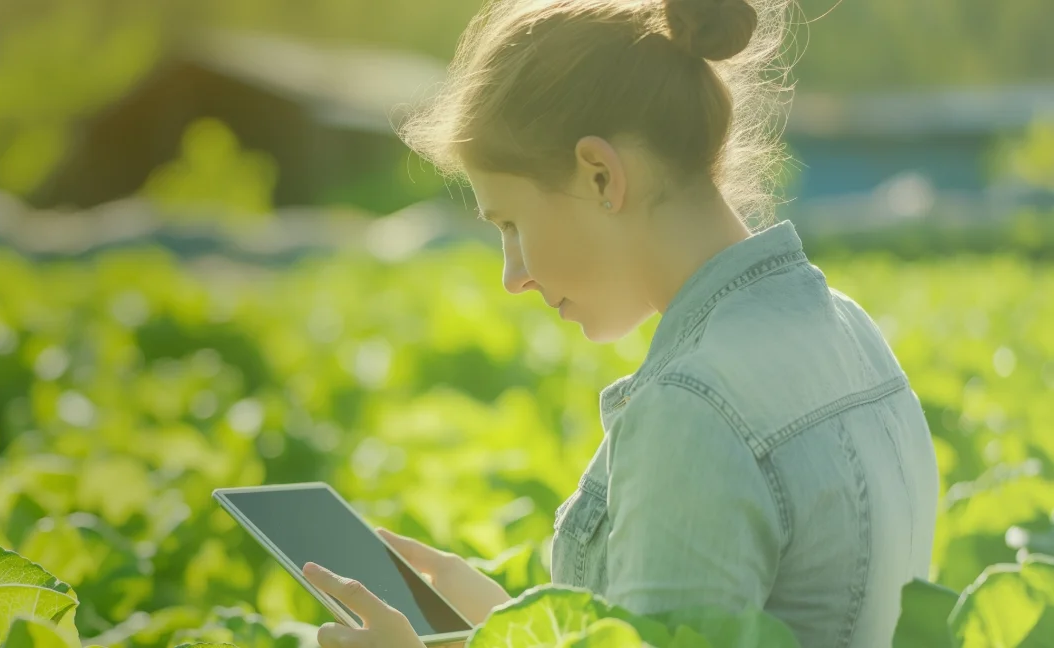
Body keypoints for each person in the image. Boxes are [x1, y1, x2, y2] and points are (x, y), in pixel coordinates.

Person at [299, 0, 940, 646]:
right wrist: (509, 628)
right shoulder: (854, 333)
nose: (512, 276)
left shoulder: (693, 412)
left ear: (601, 177)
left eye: (512, 224)